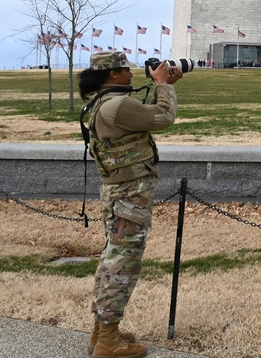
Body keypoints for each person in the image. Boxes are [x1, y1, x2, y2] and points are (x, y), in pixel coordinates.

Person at [78, 51, 182, 358]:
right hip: (129, 194)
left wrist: (165, 84)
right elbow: (163, 117)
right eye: (125, 70)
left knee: (113, 256)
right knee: (123, 261)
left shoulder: (103, 102)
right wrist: (163, 85)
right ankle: (108, 341)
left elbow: (148, 113)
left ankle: (101, 332)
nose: (132, 73)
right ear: (113, 75)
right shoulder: (119, 105)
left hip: (118, 191)